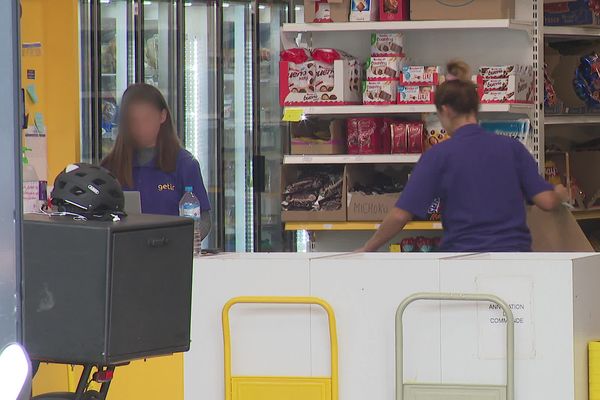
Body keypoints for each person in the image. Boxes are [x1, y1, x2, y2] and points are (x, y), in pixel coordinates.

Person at [359, 61, 568, 253]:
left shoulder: (437, 156)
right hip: (515, 259)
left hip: (463, 261)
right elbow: (547, 202)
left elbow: (400, 215)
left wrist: (367, 248)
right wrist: (559, 192)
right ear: (475, 109)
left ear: (446, 110)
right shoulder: (512, 148)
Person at [102, 83, 212, 238]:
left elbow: (204, 220)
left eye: (147, 119)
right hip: (124, 256)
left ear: (162, 116)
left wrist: (179, 245)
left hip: (170, 256)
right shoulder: (109, 167)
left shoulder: (184, 164)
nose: (141, 128)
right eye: (134, 121)